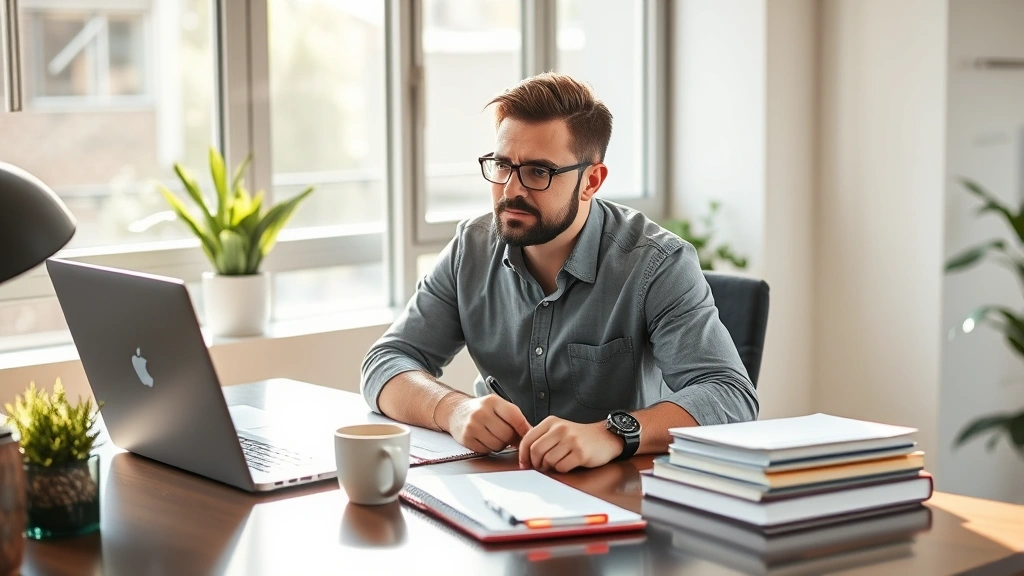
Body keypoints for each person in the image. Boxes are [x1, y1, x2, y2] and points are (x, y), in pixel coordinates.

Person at [361, 73, 757, 473]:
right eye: (502, 166)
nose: (511, 190)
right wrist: (452, 409)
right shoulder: (471, 247)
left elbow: (730, 396)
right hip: (502, 483)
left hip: (617, 494)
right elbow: (386, 361)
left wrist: (610, 434)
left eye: (538, 172)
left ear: (591, 181)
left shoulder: (657, 264)